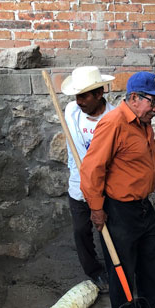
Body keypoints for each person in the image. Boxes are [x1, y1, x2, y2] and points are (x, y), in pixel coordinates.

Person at [80, 71, 155, 308]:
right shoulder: (113, 123)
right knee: (122, 266)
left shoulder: (143, 122)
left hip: (143, 205)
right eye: (154, 101)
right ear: (135, 98)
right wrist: (96, 208)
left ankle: (149, 305)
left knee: (152, 256)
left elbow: (138, 162)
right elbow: (92, 170)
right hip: (118, 210)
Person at [61, 66, 116, 294]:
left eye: (84, 96)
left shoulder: (114, 118)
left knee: (109, 231)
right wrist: (79, 179)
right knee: (81, 231)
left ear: (99, 93)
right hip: (79, 183)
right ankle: (94, 272)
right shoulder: (71, 110)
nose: (79, 101)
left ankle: (117, 270)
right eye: (77, 95)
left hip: (107, 187)